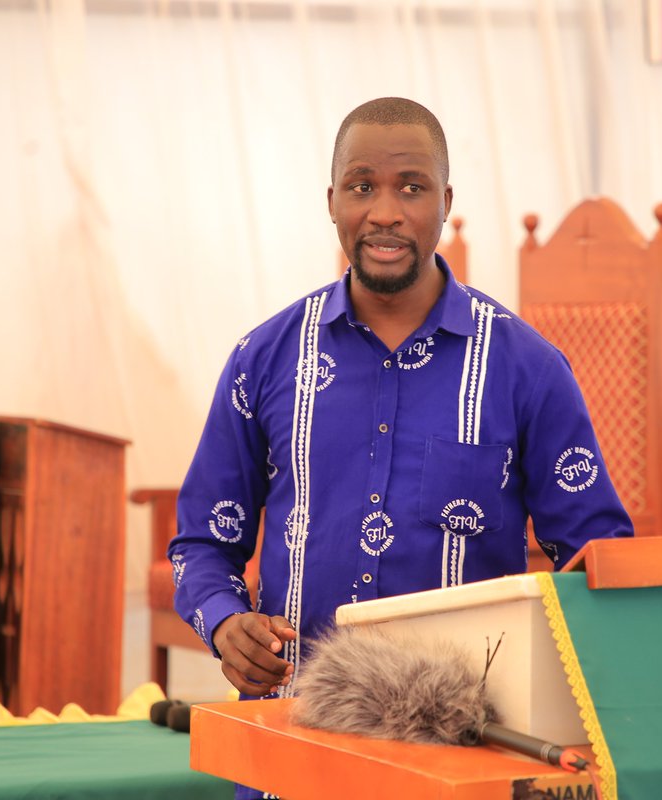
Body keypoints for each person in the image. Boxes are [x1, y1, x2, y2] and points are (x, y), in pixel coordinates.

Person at [169, 97, 633, 712]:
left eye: (411, 188)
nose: (385, 213)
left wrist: (540, 680)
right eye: (362, 186)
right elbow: (202, 542)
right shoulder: (262, 360)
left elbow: (595, 557)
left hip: (468, 729)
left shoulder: (528, 369)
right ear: (332, 200)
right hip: (295, 723)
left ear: (445, 202)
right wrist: (227, 623)